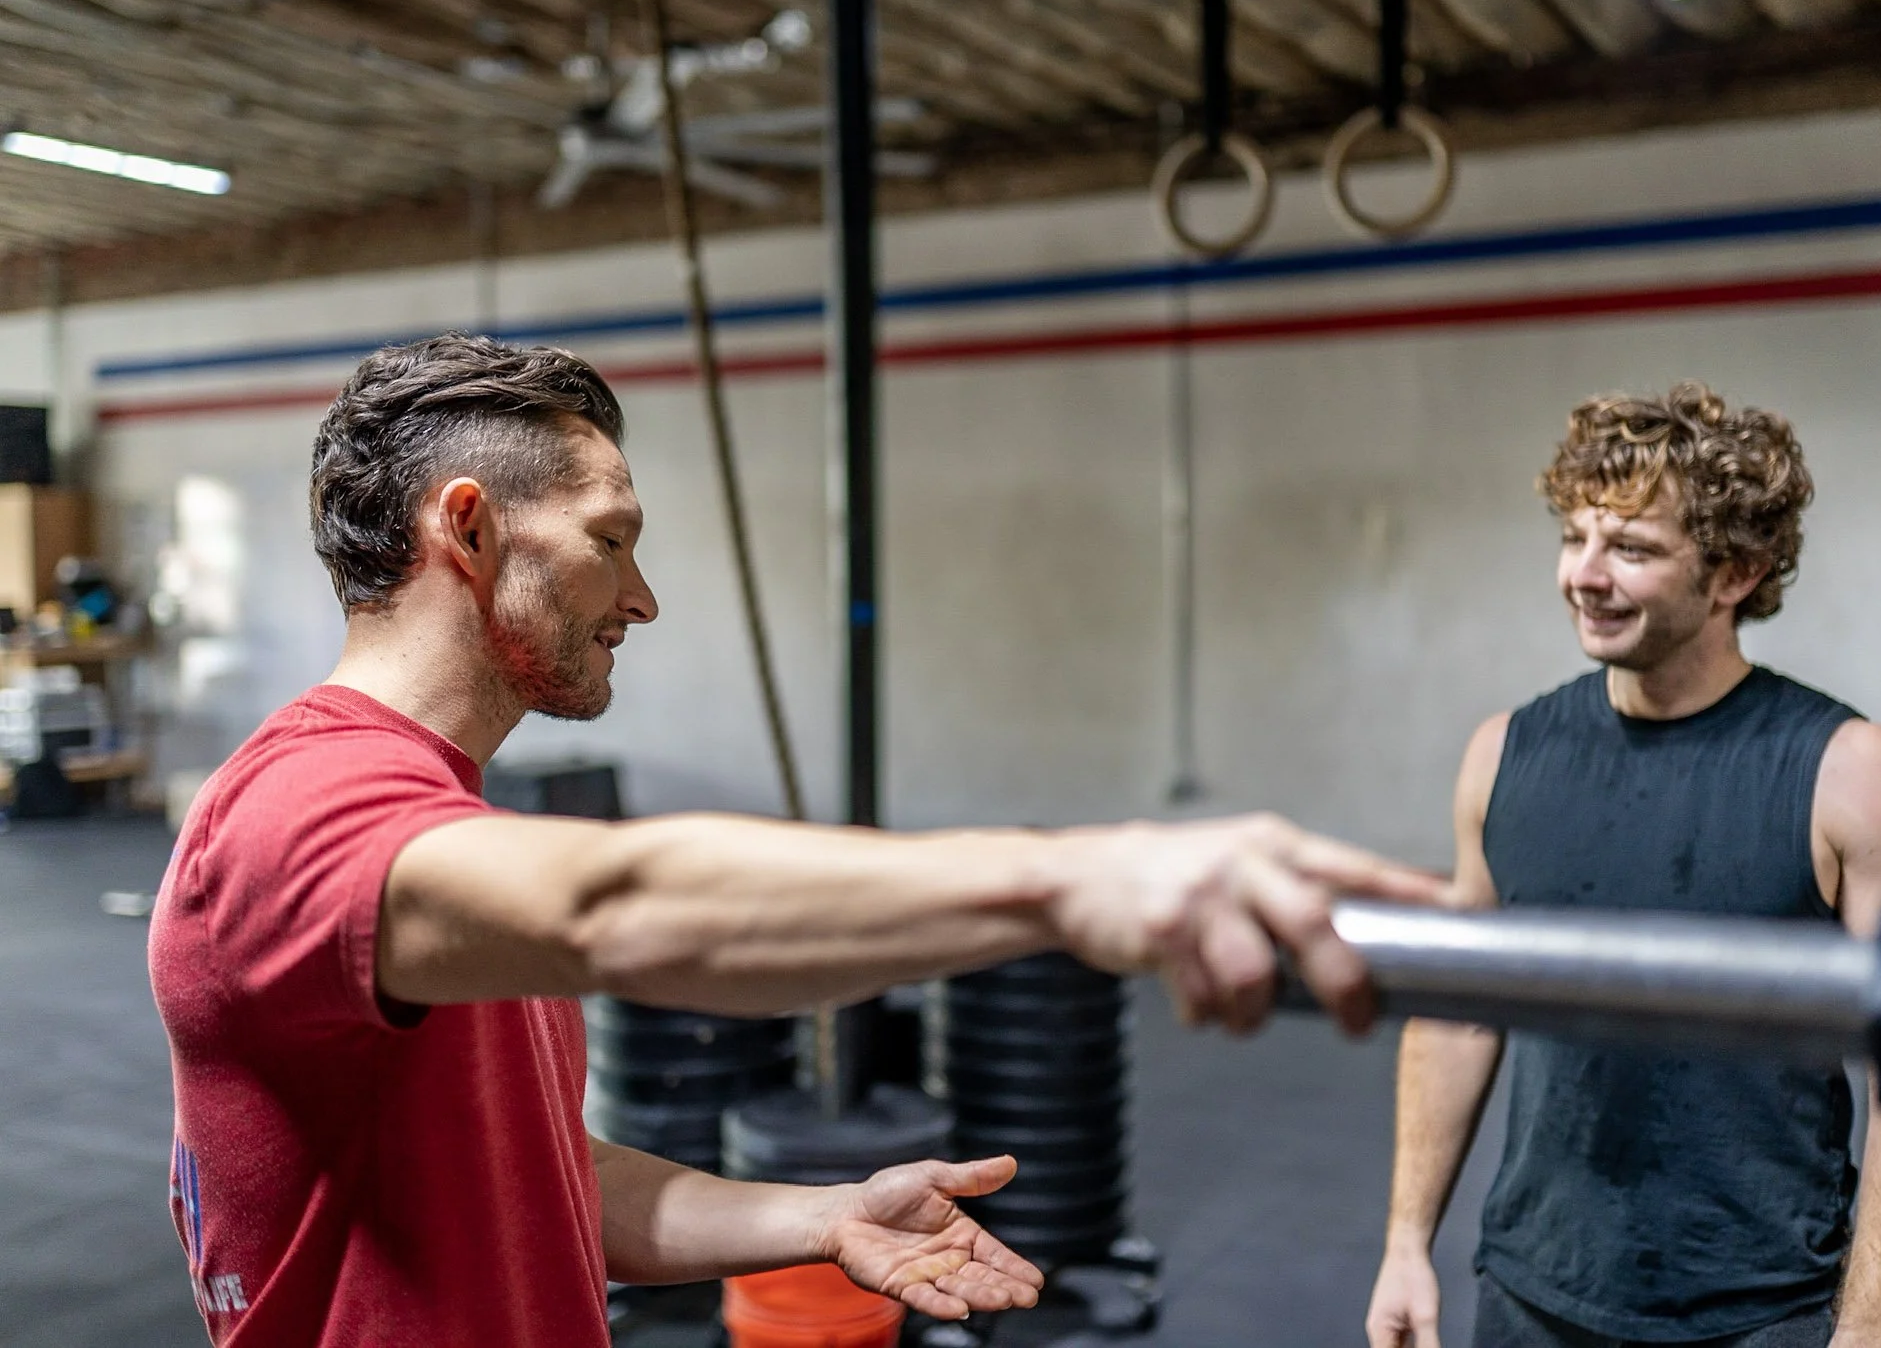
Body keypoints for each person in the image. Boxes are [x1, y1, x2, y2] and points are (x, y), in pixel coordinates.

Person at [148, 332, 1442, 1347]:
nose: (639, 598)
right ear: (469, 527)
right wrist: (1073, 872)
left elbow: (544, 1187)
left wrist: (822, 1218)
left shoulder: (429, 826)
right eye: (610, 541)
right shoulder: (293, 815)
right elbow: (621, 907)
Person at [1363, 383, 1881, 1348]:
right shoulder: (1503, 754)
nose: (1584, 575)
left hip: (1760, 1309)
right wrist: (1405, 1241)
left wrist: (1874, 1333)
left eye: (1631, 549)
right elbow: (1456, 1008)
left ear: (1737, 572)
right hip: (1528, 1293)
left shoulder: (1854, 776)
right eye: (1574, 537)